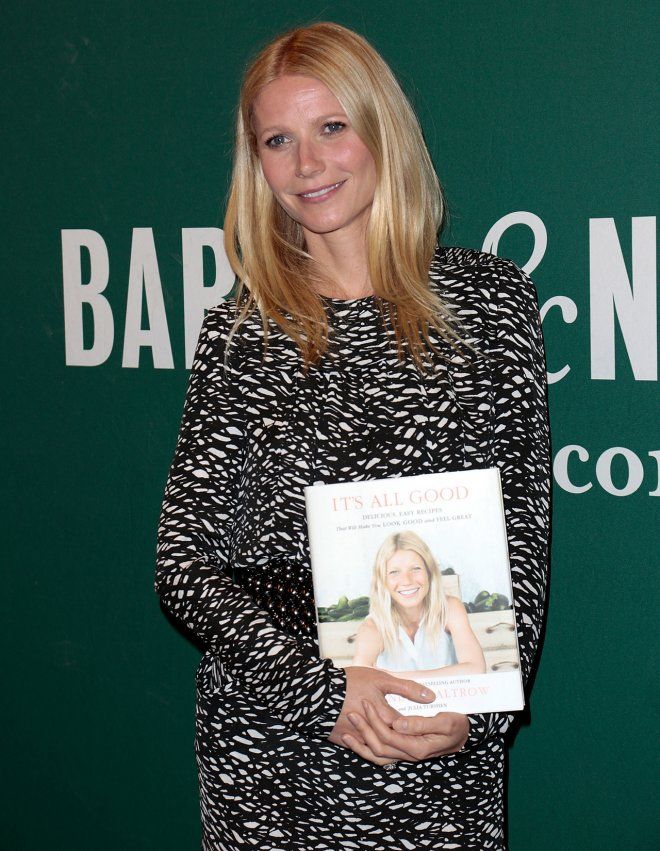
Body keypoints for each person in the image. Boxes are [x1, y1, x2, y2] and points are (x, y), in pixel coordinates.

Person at [156, 20, 550, 851]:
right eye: (278, 140)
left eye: (332, 127)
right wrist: (323, 692)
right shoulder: (241, 333)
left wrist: (479, 712)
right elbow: (183, 567)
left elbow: (521, 531)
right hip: (274, 751)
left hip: (437, 732)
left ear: (382, 131)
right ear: (256, 163)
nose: (307, 164)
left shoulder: (492, 301)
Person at [352, 531, 486, 677]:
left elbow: (476, 669)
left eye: (415, 569)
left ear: (429, 572)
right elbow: (359, 678)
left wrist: (395, 678)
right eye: (394, 572)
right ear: (382, 580)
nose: (407, 581)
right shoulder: (373, 628)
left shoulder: (450, 608)